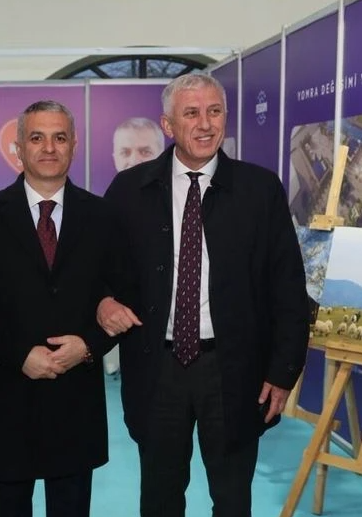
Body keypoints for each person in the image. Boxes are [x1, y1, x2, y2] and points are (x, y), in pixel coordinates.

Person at [97, 73, 309, 517]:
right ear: (168, 124)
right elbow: (99, 269)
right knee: (160, 497)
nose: (205, 124)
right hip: (157, 368)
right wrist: (103, 300)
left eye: (214, 112)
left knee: (232, 500)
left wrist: (283, 370)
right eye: (191, 113)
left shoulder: (260, 190)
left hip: (234, 371)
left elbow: (288, 286)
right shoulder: (129, 191)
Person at [0, 100, 123, 517]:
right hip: (8, 400)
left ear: (74, 145)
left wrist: (88, 346)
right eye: (37, 137)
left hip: (76, 400)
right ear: (18, 147)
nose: (49, 147)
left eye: (59, 137)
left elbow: (122, 296)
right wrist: (19, 354)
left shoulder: (102, 216)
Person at [103, 117, 165, 376]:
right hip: (125, 328)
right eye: (125, 152)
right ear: (114, 157)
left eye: (145, 151)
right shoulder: (106, 203)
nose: (134, 160)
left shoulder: (185, 200)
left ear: (162, 152)